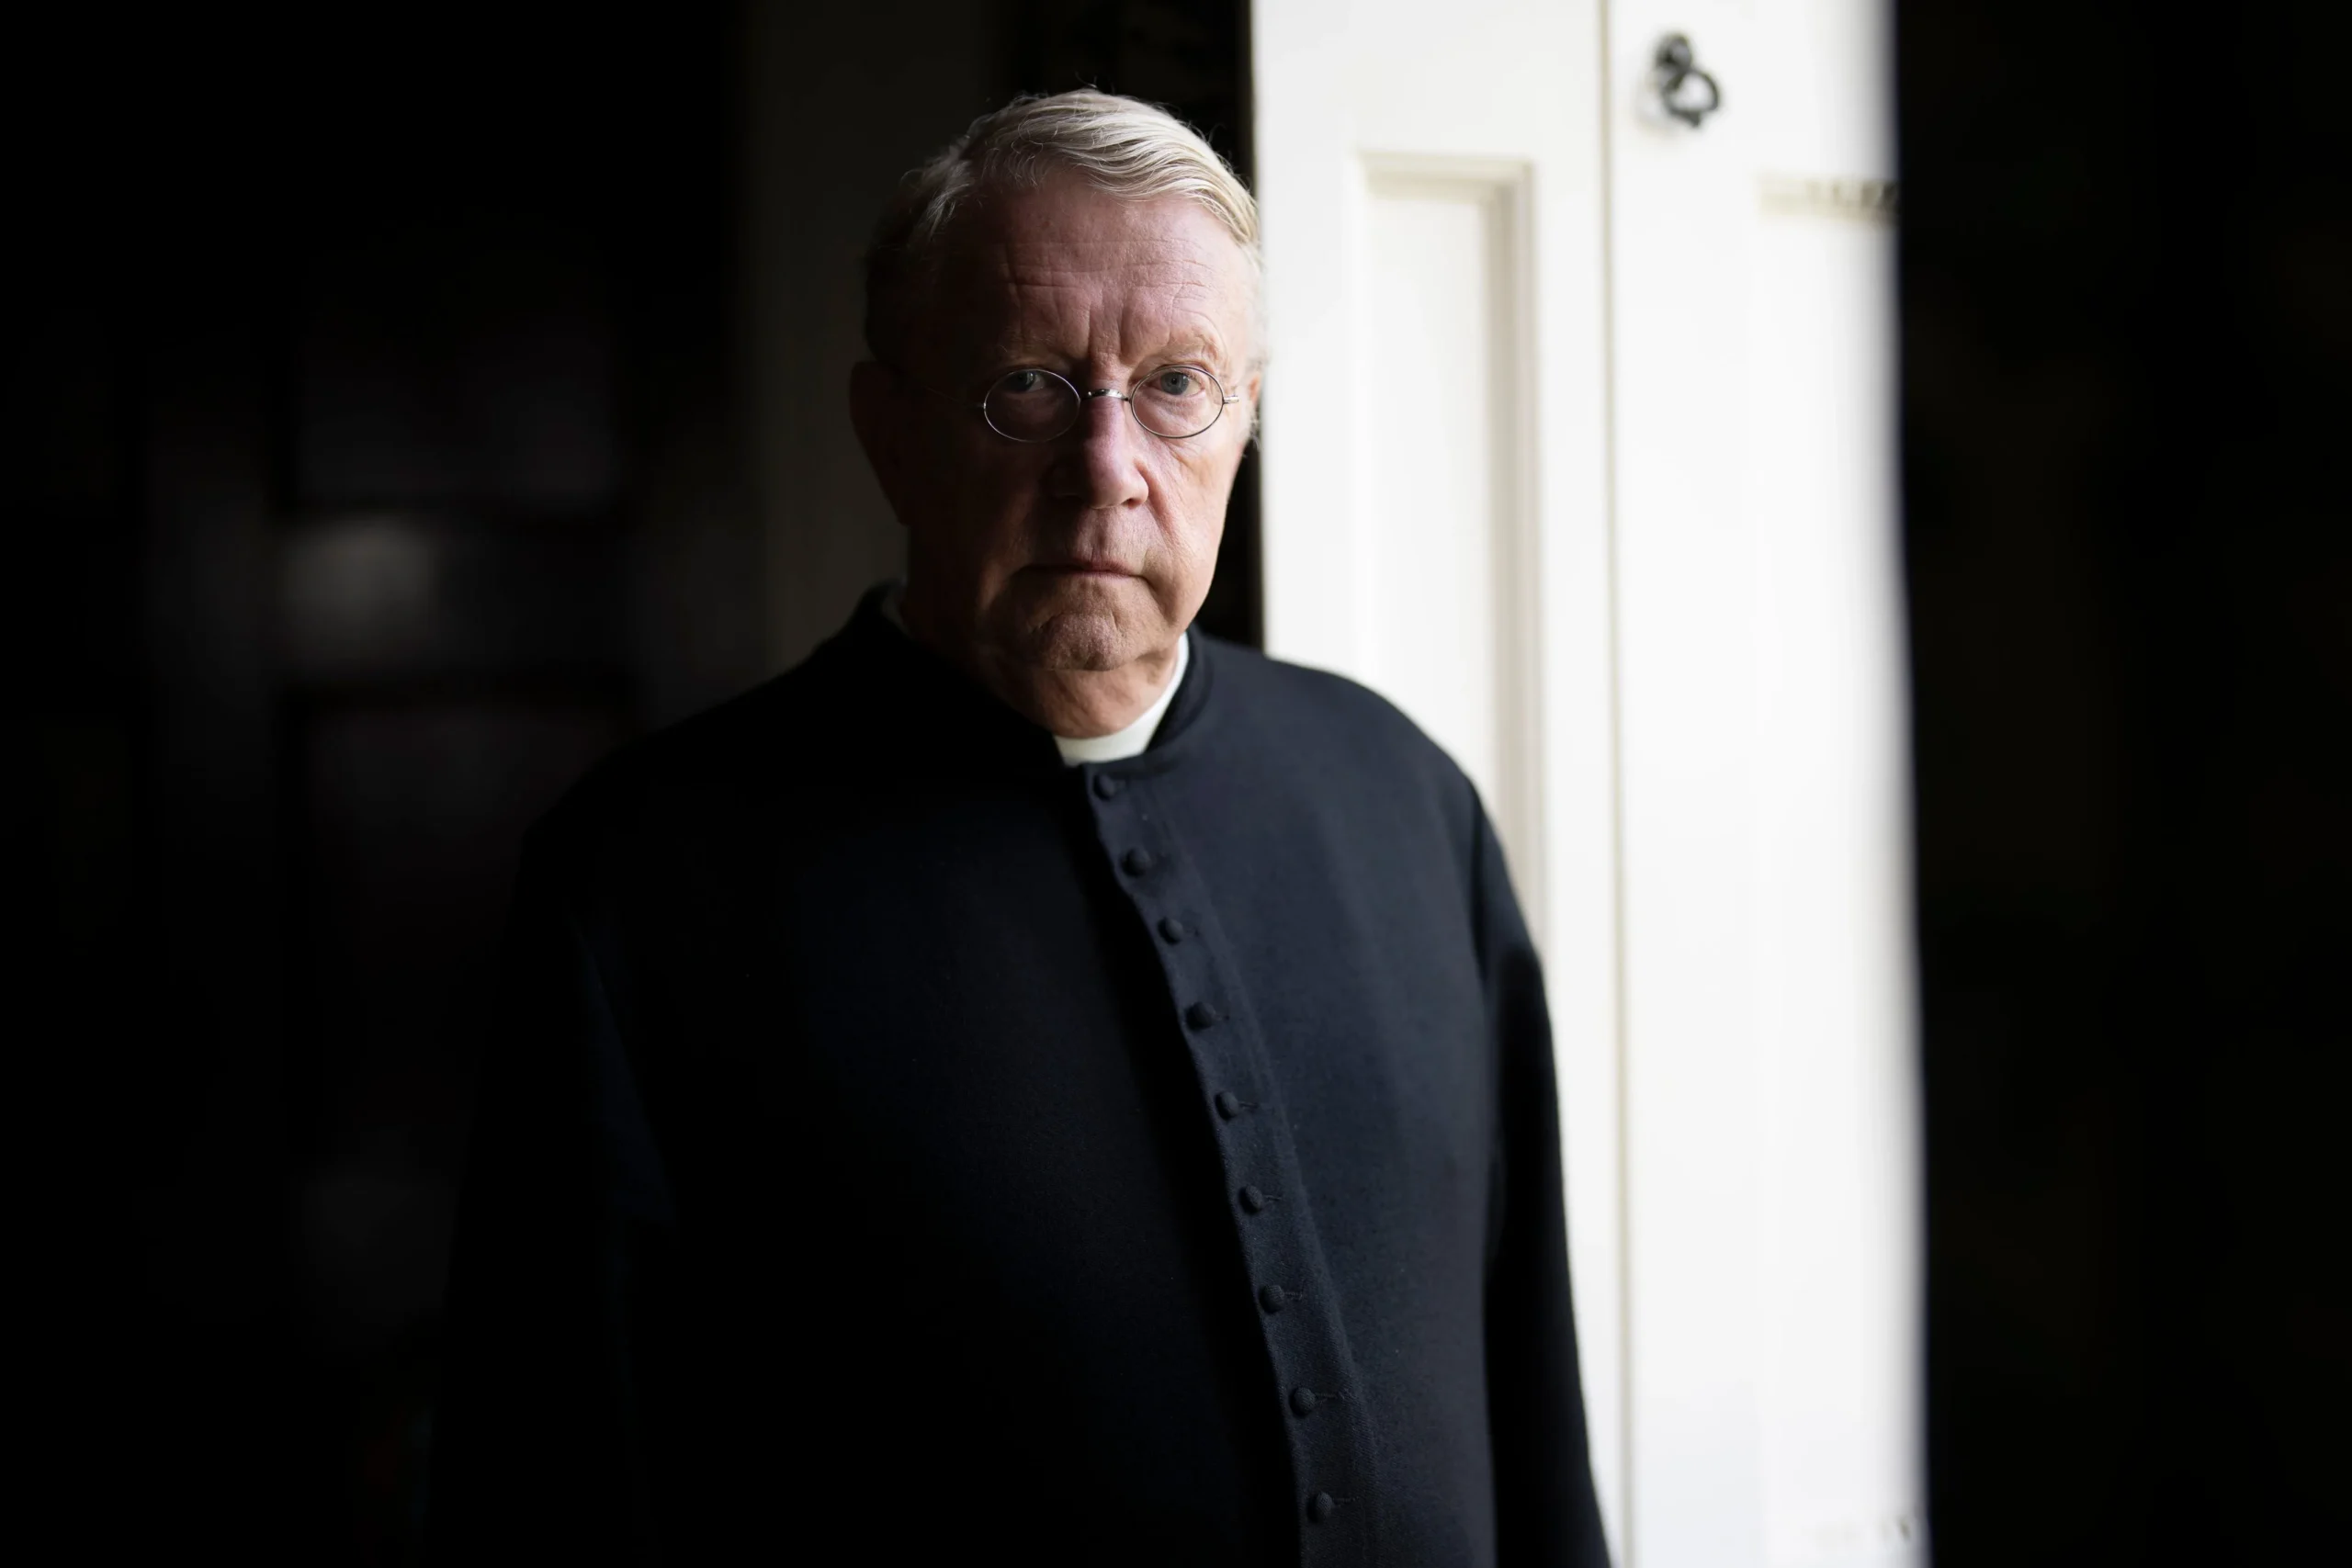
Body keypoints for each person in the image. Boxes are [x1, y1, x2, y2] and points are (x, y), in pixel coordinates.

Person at [428, 89, 1609, 1566]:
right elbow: (552, 1488)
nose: (1108, 462)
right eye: (1030, 385)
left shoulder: (1402, 794)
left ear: (1244, 422)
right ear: (891, 428)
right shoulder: (645, 882)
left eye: (1178, 385)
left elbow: (1533, 1396)